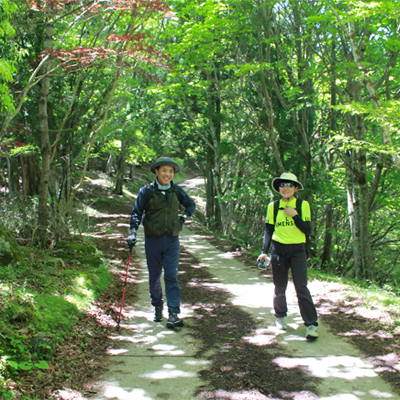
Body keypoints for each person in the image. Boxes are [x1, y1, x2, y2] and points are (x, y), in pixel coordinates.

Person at [126, 157, 196, 328]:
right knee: (155, 276)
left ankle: (173, 313)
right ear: (156, 171)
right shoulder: (147, 191)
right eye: (164, 170)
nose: (168, 174)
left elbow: (191, 205)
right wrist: (132, 232)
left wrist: (182, 219)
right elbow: (136, 212)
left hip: (172, 240)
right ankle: (157, 305)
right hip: (153, 240)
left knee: (171, 275)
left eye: (171, 171)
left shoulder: (177, 191)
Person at [257, 172, 319, 339]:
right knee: (279, 287)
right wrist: (264, 251)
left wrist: (295, 215)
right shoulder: (273, 206)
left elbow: (307, 230)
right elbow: (268, 230)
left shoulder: (302, 204)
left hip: (297, 250)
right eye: (282, 185)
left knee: (301, 287)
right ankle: (280, 317)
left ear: (295, 188)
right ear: (279, 188)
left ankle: (311, 324)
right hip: (278, 250)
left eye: (289, 185)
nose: (285, 188)